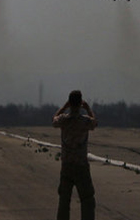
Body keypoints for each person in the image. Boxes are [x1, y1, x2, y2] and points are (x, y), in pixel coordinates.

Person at [52, 90, 98, 220]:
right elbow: (95, 123)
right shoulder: (84, 121)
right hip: (81, 166)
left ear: (70, 103)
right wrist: (88, 109)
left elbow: (54, 120)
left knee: (64, 201)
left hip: (66, 165)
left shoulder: (63, 120)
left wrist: (64, 107)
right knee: (87, 199)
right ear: (80, 103)